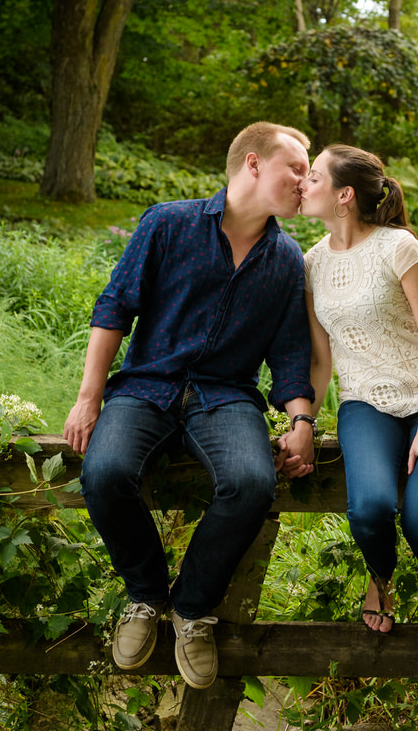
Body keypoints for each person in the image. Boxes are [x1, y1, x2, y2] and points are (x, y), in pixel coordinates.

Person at [63, 122, 318, 689]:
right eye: (296, 168)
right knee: (103, 472)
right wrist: (87, 398)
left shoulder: (286, 258)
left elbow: (291, 354)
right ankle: (146, 595)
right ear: (253, 164)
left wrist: (301, 419)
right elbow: (114, 308)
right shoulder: (168, 222)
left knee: (252, 483)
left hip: (225, 397)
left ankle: (193, 609)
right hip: (146, 386)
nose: (307, 181)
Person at [298, 144, 418, 635]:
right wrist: (304, 421)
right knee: (371, 508)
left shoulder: (399, 247)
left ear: (344, 195)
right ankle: (381, 575)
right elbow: (320, 360)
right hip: (365, 403)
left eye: (313, 177)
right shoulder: (311, 263)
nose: (303, 184)